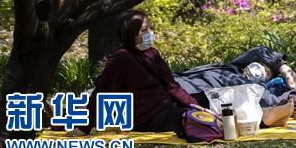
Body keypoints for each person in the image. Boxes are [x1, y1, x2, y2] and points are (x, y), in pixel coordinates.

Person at [73, 9, 212, 136]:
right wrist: (83, 127)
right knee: (194, 120)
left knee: (206, 100)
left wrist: (194, 104)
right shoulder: (121, 58)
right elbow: (101, 93)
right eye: (144, 30)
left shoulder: (152, 53)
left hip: (166, 105)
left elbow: (172, 85)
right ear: (131, 34)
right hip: (148, 117)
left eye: (149, 29)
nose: (149, 33)